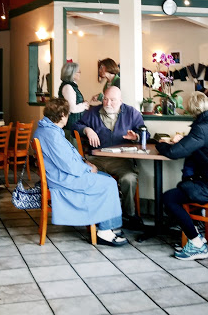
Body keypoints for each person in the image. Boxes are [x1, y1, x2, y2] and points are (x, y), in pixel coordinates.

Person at [33, 98, 128, 246]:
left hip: (60, 175)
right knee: (109, 183)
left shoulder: (46, 129)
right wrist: (88, 168)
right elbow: (68, 165)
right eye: (68, 114)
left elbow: (66, 159)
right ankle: (104, 232)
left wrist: (85, 162)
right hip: (63, 179)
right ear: (62, 115)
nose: (68, 117)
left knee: (107, 178)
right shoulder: (52, 134)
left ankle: (107, 224)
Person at [156, 91, 208, 260]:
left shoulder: (202, 128)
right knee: (179, 191)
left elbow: (174, 152)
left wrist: (160, 144)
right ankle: (196, 237)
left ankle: (197, 243)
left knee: (169, 198)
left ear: (193, 110)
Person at [72, 85, 148, 230]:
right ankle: (94, 215)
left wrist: (136, 137)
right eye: (105, 99)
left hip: (121, 160)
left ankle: (130, 215)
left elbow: (145, 133)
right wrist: (87, 129)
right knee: (86, 176)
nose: (108, 103)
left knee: (129, 179)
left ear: (120, 100)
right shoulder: (92, 112)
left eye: (112, 100)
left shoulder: (131, 113)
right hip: (96, 160)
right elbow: (75, 125)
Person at [58, 62, 90, 142]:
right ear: (71, 73)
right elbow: (72, 108)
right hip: (71, 126)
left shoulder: (72, 86)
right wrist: (84, 105)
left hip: (75, 124)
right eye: (78, 72)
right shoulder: (68, 87)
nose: (80, 74)